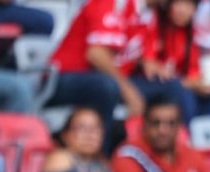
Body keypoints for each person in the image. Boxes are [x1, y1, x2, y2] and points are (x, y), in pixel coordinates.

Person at [47, 0, 152, 130]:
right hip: (64, 76)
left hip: (105, 77)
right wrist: (130, 93)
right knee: (106, 86)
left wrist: (148, 62)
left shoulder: (150, 13)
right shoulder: (111, 2)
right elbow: (96, 54)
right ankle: (100, 142)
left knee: (167, 86)